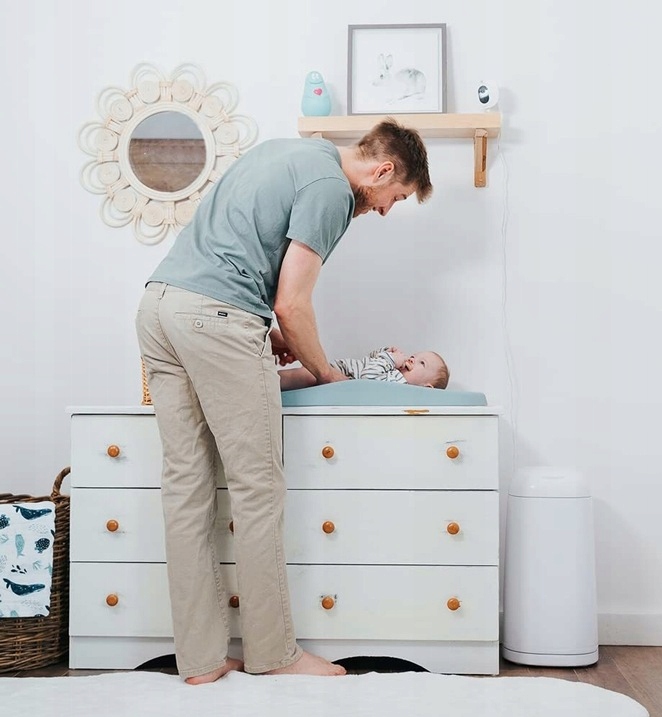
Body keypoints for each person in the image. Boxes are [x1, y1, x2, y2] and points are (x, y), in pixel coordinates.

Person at [135, 118, 432, 684]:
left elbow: (231, 258)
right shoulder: (331, 189)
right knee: (257, 489)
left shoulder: (285, 152)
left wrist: (259, 330)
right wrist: (327, 373)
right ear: (382, 170)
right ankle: (274, 654)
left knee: (186, 488)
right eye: (395, 198)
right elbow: (292, 304)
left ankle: (200, 660)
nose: (385, 210)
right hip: (214, 318)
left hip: (159, 309)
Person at [279, 346, 450, 390]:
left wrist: (389, 359)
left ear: (427, 388)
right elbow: (370, 361)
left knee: (306, 376)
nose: (413, 358)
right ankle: (273, 381)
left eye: (422, 363)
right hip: (337, 371)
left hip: (340, 374)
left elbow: (367, 380)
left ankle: (272, 382)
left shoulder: (399, 385)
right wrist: (385, 352)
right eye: (415, 355)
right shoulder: (395, 373)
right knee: (303, 376)